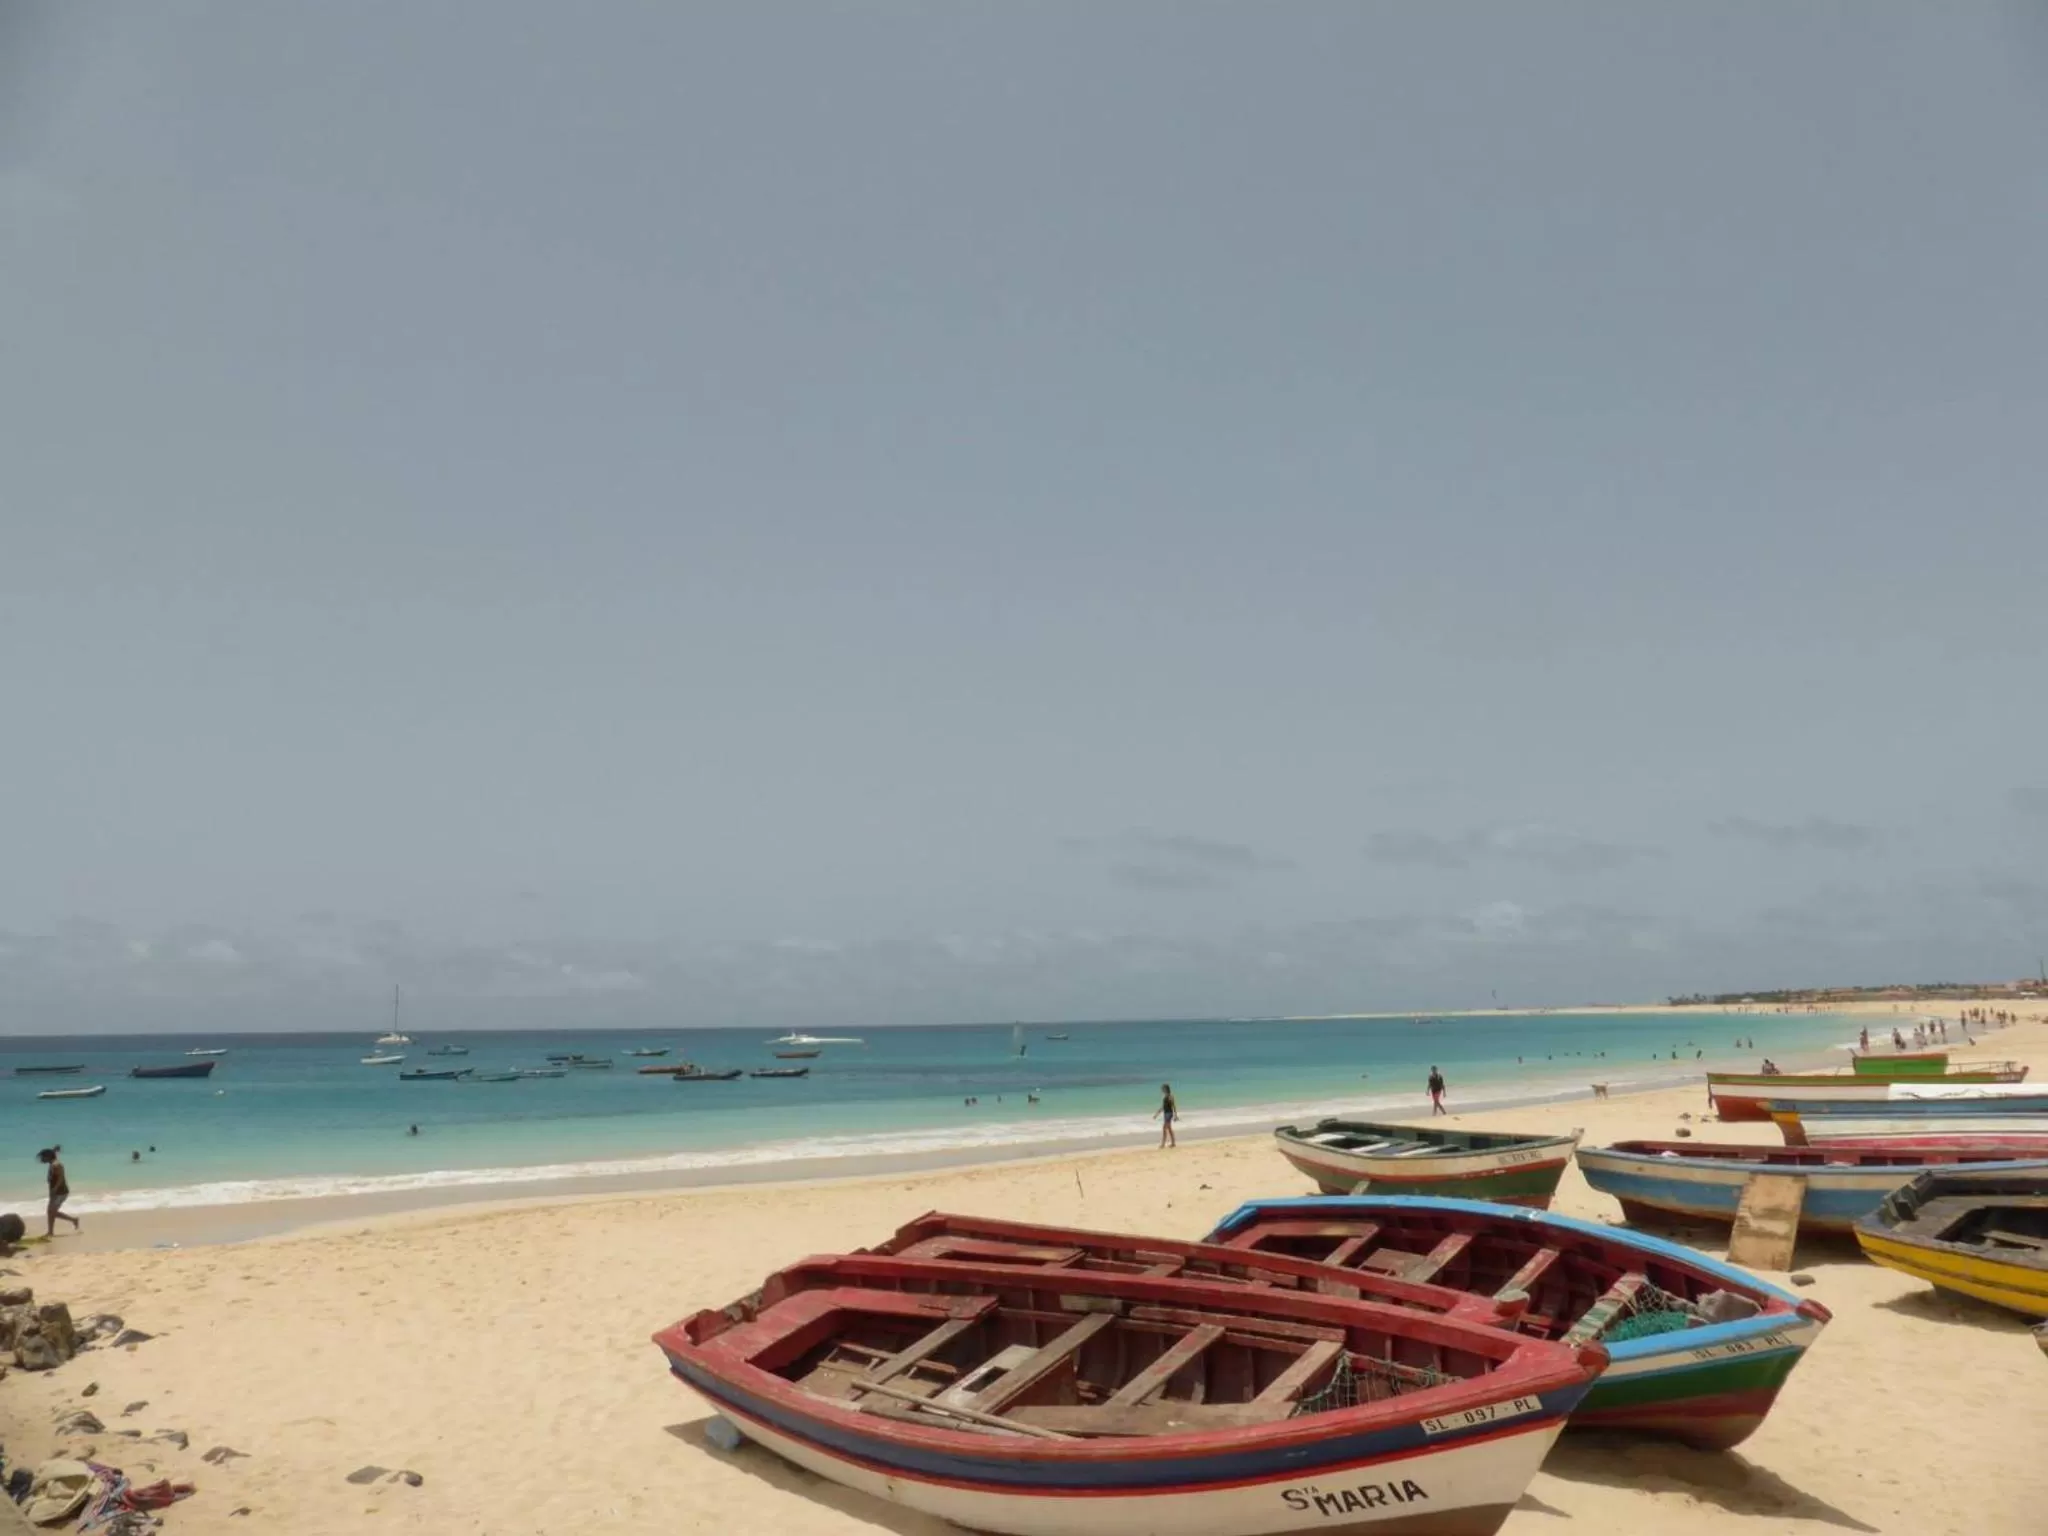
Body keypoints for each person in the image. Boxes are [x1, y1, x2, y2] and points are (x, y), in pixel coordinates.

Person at [39, 1147, 80, 1238]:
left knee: (52, 1212)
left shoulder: (57, 1165)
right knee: (50, 1212)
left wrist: (55, 1189)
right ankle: (51, 1232)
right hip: (55, 1192)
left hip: (61, 1192)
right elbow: (53, 1155)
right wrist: (54, 1150)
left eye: (43, 1157)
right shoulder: (52, 1162)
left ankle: (73, 1220)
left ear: (48, 1157)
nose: (41, 1159)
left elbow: (61, 1177)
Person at [1156, 1083, 1178, 1149]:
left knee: (1164, 1128)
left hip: (1169, 1114)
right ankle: (1173, 1143)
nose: (1162, 1090)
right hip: (1166, 1114)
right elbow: (1163, 1107)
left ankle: (1163, 1144)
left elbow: (1173, 1106)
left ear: (1166, 1089)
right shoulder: (1165, 1097)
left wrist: (1175, 1115)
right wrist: (1157, 1113)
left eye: (1163, 1088)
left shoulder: (1170, 1096)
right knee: (1169, 1128)